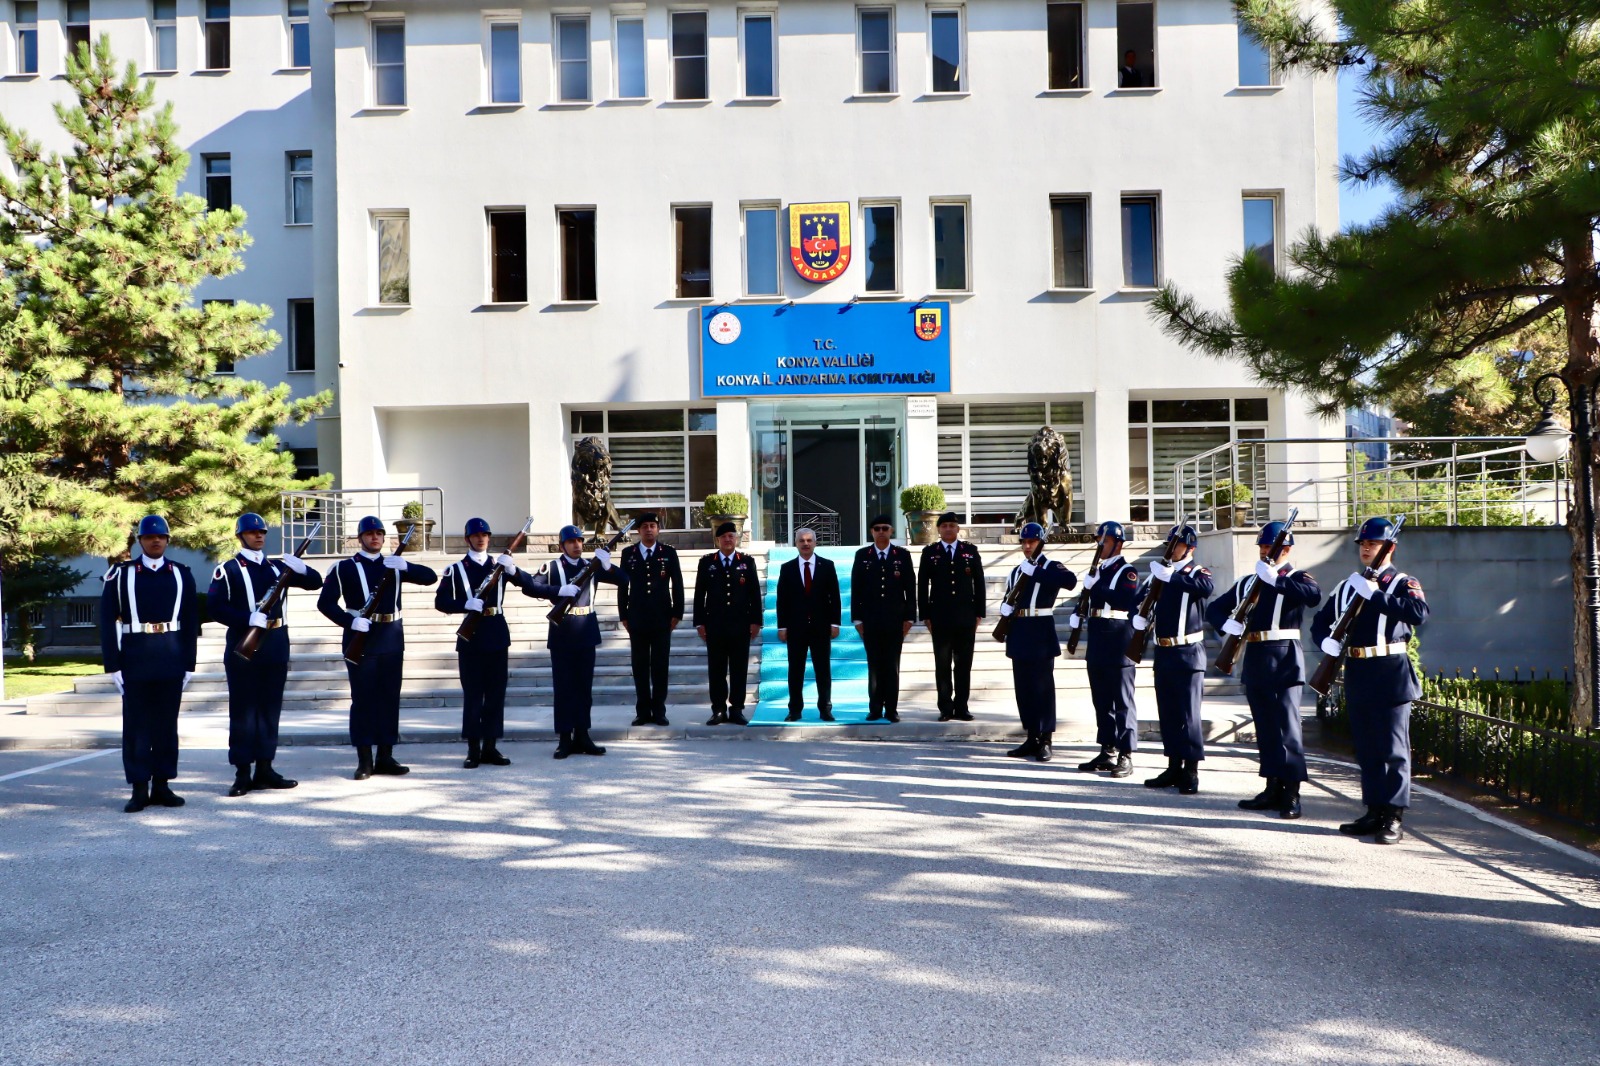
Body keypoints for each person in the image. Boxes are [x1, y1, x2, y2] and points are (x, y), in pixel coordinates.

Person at [1311, 517, 1429, 844]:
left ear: (1389, 547)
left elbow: (1419, 613)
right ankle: (1374, 810)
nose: (1366, 548)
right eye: (1363, 543)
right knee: (1366, 748)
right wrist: (1325, 643)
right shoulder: (1347, 585)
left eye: (1373, 544)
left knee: (1393, 748)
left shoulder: (1404, 581)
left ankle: (1393, 816)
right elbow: (1320, 622)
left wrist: (1376, 596)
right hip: (1359, 671)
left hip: (1391, 670)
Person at [1204, 520, 1321, 819]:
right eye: (1263, 546)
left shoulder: (1296, 577)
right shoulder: (1248, 581)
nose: (1266, 551)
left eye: (1272, 547)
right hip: (1255, 654)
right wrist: (1224, 625)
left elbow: (1312, 595)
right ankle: (1272, 786)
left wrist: (1275, 580)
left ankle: (1292, 791)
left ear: (1288, 548)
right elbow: (1214, 608)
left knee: (1287, 728)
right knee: (1265, 727)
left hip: (1284, 656)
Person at [206, 512, 322, 797]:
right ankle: (243, 773)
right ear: (241, 536)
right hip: (243, 646)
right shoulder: (229, 569)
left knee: (270, 710)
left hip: (275, 643)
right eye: (252, 532)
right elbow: (215, 607)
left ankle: (266, 769)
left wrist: (303, 569)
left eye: (262, 532)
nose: (259, 535)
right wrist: (247, 618)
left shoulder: (276, 568)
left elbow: (316, 583)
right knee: (244, 711)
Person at [317, 515, 438, 781]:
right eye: (369, 533)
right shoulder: (344, 567)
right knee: (363, 700)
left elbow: (430, 578)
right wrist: (350, 621)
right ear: (360, 538)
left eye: (379, 534)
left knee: (389, 698)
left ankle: (385, 755)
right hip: (361, 638)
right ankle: (364, 760)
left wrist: (407, 565)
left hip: (391, 637)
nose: (375, 538)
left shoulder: (394, 565)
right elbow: (325, 604)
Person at [100, 515, 199, 813]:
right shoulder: (121, 574)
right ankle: (139, 788)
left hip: (170, 653)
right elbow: (106, 620)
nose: (155, 540)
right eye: (149, 537)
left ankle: (163, 785)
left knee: (167, 724)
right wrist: (112, 665)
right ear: (140, 540)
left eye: (161, 537)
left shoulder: (181, 573)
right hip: (136, 654)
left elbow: (190, 620)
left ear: (168, 540)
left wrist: (189, 663)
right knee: (137, 726)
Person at [434, 517, 537, 769]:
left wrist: (514, 570)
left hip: (496, 634)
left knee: (495, 695)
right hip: (471, 638)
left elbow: (532, 587)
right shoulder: (456, 569)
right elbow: (441, 601)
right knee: (472, 696)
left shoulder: (500, 565)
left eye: (485, 535)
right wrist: (464, 605)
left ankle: (490, 747)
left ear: (489, 538)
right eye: (476, 535)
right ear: (468, 539)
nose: (481, 539)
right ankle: (473, 749)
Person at [526, 524, 627, 758]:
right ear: (562, 546)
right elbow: (531, 587)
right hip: (562, 631)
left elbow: (624, 580)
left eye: (580, 541)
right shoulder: (551, 566)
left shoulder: (591, 566)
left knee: (584, 688)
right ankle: (564, 738)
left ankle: (583, 735)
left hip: (586, 630)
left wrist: (608, 565)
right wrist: (558, 591)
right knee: (564, 688)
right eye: (571, 542)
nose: (576, 545)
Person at [1135, 524, 1213, 795]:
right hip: (1163, 651)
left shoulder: (1196, 572)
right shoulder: (1160, 573)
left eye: (1176, 545)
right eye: (1169, 544)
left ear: (1189, 548)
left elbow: (1205, 588)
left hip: (1188, 652)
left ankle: (1191, 770)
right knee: (1167, 712)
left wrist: (1171, 577)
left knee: (1188, 714)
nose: (1171, 549)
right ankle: (1173, 766)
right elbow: (1138, 599)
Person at [999, 522, 1077, 761]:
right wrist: (1005, 608)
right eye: (1023, 542)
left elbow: (1070, 581)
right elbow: (1010, 596)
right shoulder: (1016, 570)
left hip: (1040, 632)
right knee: (1024, 689)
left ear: (1040, 543)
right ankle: (1031, 736)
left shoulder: (1050, 566)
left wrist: (1038, 573)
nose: (1027, 546)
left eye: (1031, 541)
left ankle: (1045, 739)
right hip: (1020, 631)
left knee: (1042, 689)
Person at [1071, 521, 1143, 777]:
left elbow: (1125, 600)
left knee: (1123, 701)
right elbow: (1088, 597)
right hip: (1098, 640)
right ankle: (1108, 748)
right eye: (1099, 540)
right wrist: (1077, 612)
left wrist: (1096, 585)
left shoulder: (1127, 571)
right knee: (1101, 700)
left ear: (1118, 543)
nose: (1099, 545)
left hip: (1119, 640)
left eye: (1104, 540)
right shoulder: (1098, 570)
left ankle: (1126, 753)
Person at [616, 512, 684, 727]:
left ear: (658, 529)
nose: (648, 529)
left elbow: (678, 585)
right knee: (640, 666)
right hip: (637, 619)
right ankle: (642, 711)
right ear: (638, 530)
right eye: (644, 526)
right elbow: (622, 586)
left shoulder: (668, 553)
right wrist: (623, 615)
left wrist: (677, 614)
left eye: (652, 525)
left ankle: (659, 711)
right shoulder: (629, 553)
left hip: (662, 619)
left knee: (660, 666)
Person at [693, 522, 763, 726]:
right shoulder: (707, 563)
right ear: (718, 540)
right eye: (723, 537)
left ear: (736, 538)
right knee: (716, 670)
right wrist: (700, 623)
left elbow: (754, 595)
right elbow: (699, 596)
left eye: (731, 536)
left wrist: (756, 621)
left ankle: (737, 709)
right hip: (715, 625)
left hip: (740, 625)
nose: (728, 540)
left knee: (739, 669)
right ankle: (718, 709)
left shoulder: (746, 562)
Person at [918, 511, 985, 722]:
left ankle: (962, 706)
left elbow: (979, 583)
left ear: (958, 529)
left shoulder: (970, 551)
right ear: (939, 529)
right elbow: (922, 585)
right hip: (940, 617)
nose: (948, 528)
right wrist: (925, 614)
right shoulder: (930, 552)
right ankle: (945, 707)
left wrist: (979, 613)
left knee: (964, 664)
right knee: (943, 664)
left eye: (952, 525)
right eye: (944, 525)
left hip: (966, 617)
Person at [850, 515, 917, 723]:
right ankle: (875, 708)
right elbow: (856, 590)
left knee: (892, 666)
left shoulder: (902, 556)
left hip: (895, 620)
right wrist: (857, 620)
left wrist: (909, 618)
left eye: (885, 528)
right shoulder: (863, 555)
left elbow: (910, 588)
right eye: (877, 528)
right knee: (874, 666)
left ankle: (892, 709)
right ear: (872, 532)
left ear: (891, 531)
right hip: (870, 620)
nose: (881, 532)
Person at [775, 527, 841, 722]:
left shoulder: (827, 566)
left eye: (809, 540)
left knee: (823, 670)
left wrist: (835, 623)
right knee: (795, 670)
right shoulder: (787, 568)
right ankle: (795, 709)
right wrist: (782, 627)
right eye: (801, 541)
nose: (805, 544)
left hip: (821, 627)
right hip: (796, 628)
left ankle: (825, 708)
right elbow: (782, 600)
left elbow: (835, 598)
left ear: (815, 543)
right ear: (796, 544)